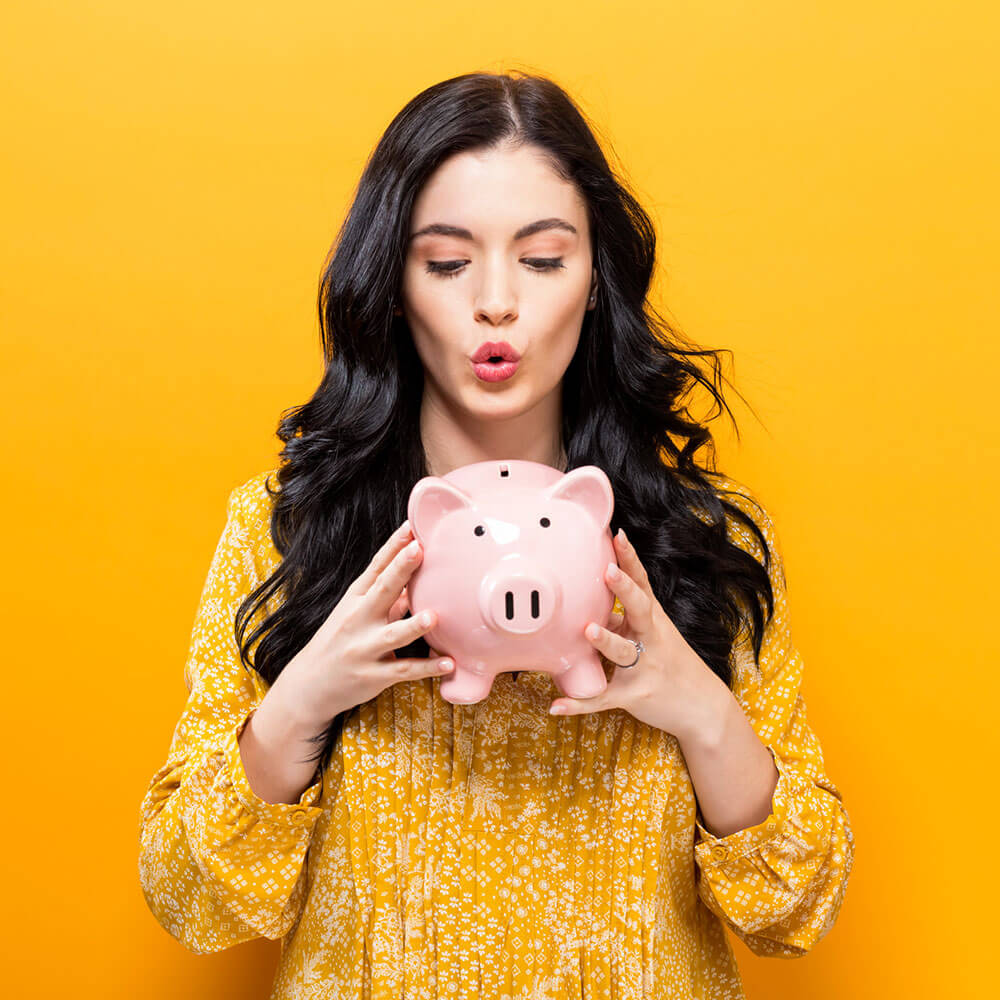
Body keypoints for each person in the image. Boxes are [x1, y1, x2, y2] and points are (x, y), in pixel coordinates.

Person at [137, 70, 854, 998]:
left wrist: (702, 712)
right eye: (445, 263)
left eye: (545, 260)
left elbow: (798, 912)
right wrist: (300, 704)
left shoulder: (700, 539)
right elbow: (191, 900)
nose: (496, 303)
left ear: (597, 282)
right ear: (393, 286)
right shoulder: (290, 529)